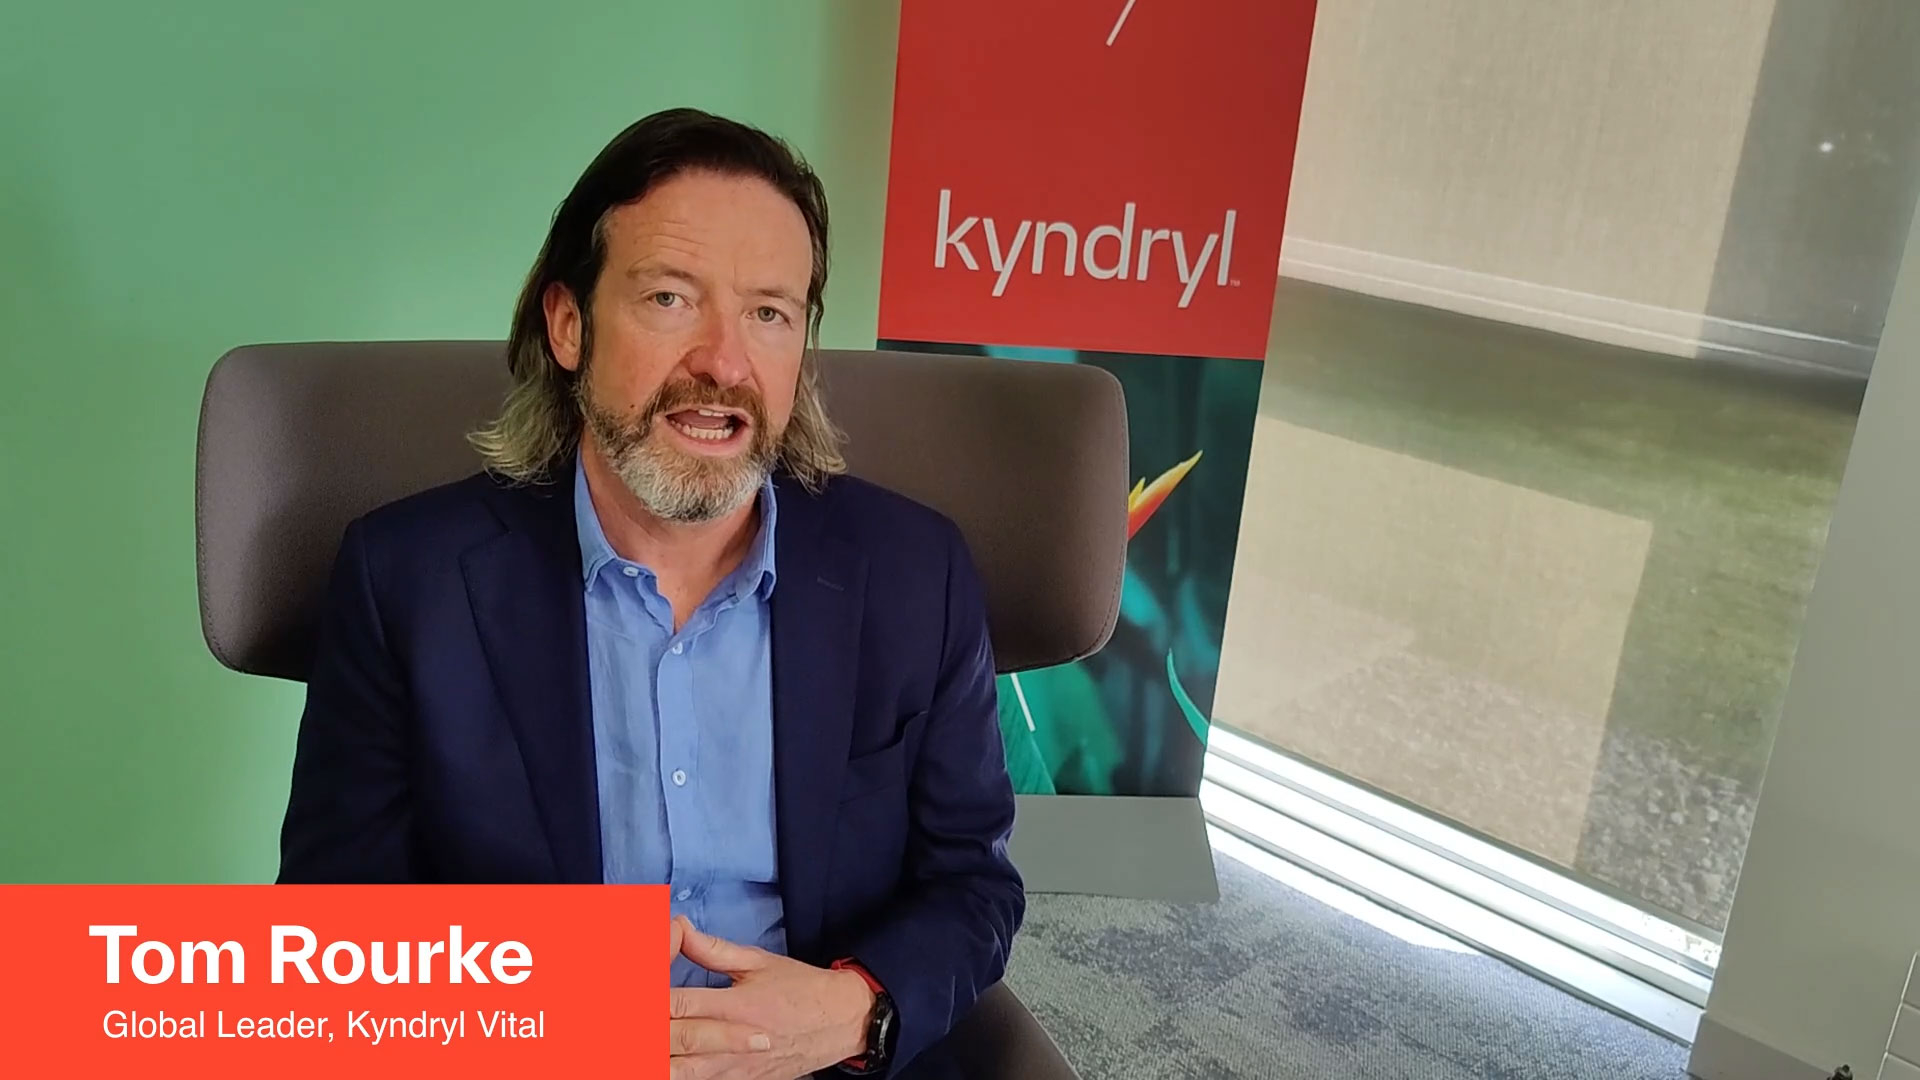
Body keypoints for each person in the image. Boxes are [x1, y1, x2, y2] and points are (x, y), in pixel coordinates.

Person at [277, 107, 1025, 1079]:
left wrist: (857, 1009)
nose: (724, 362)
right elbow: (336, 932)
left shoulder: (916, 574)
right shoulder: (406, 581)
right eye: (671, 298)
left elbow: (973, 885)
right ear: (568, 325)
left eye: (769, 313)